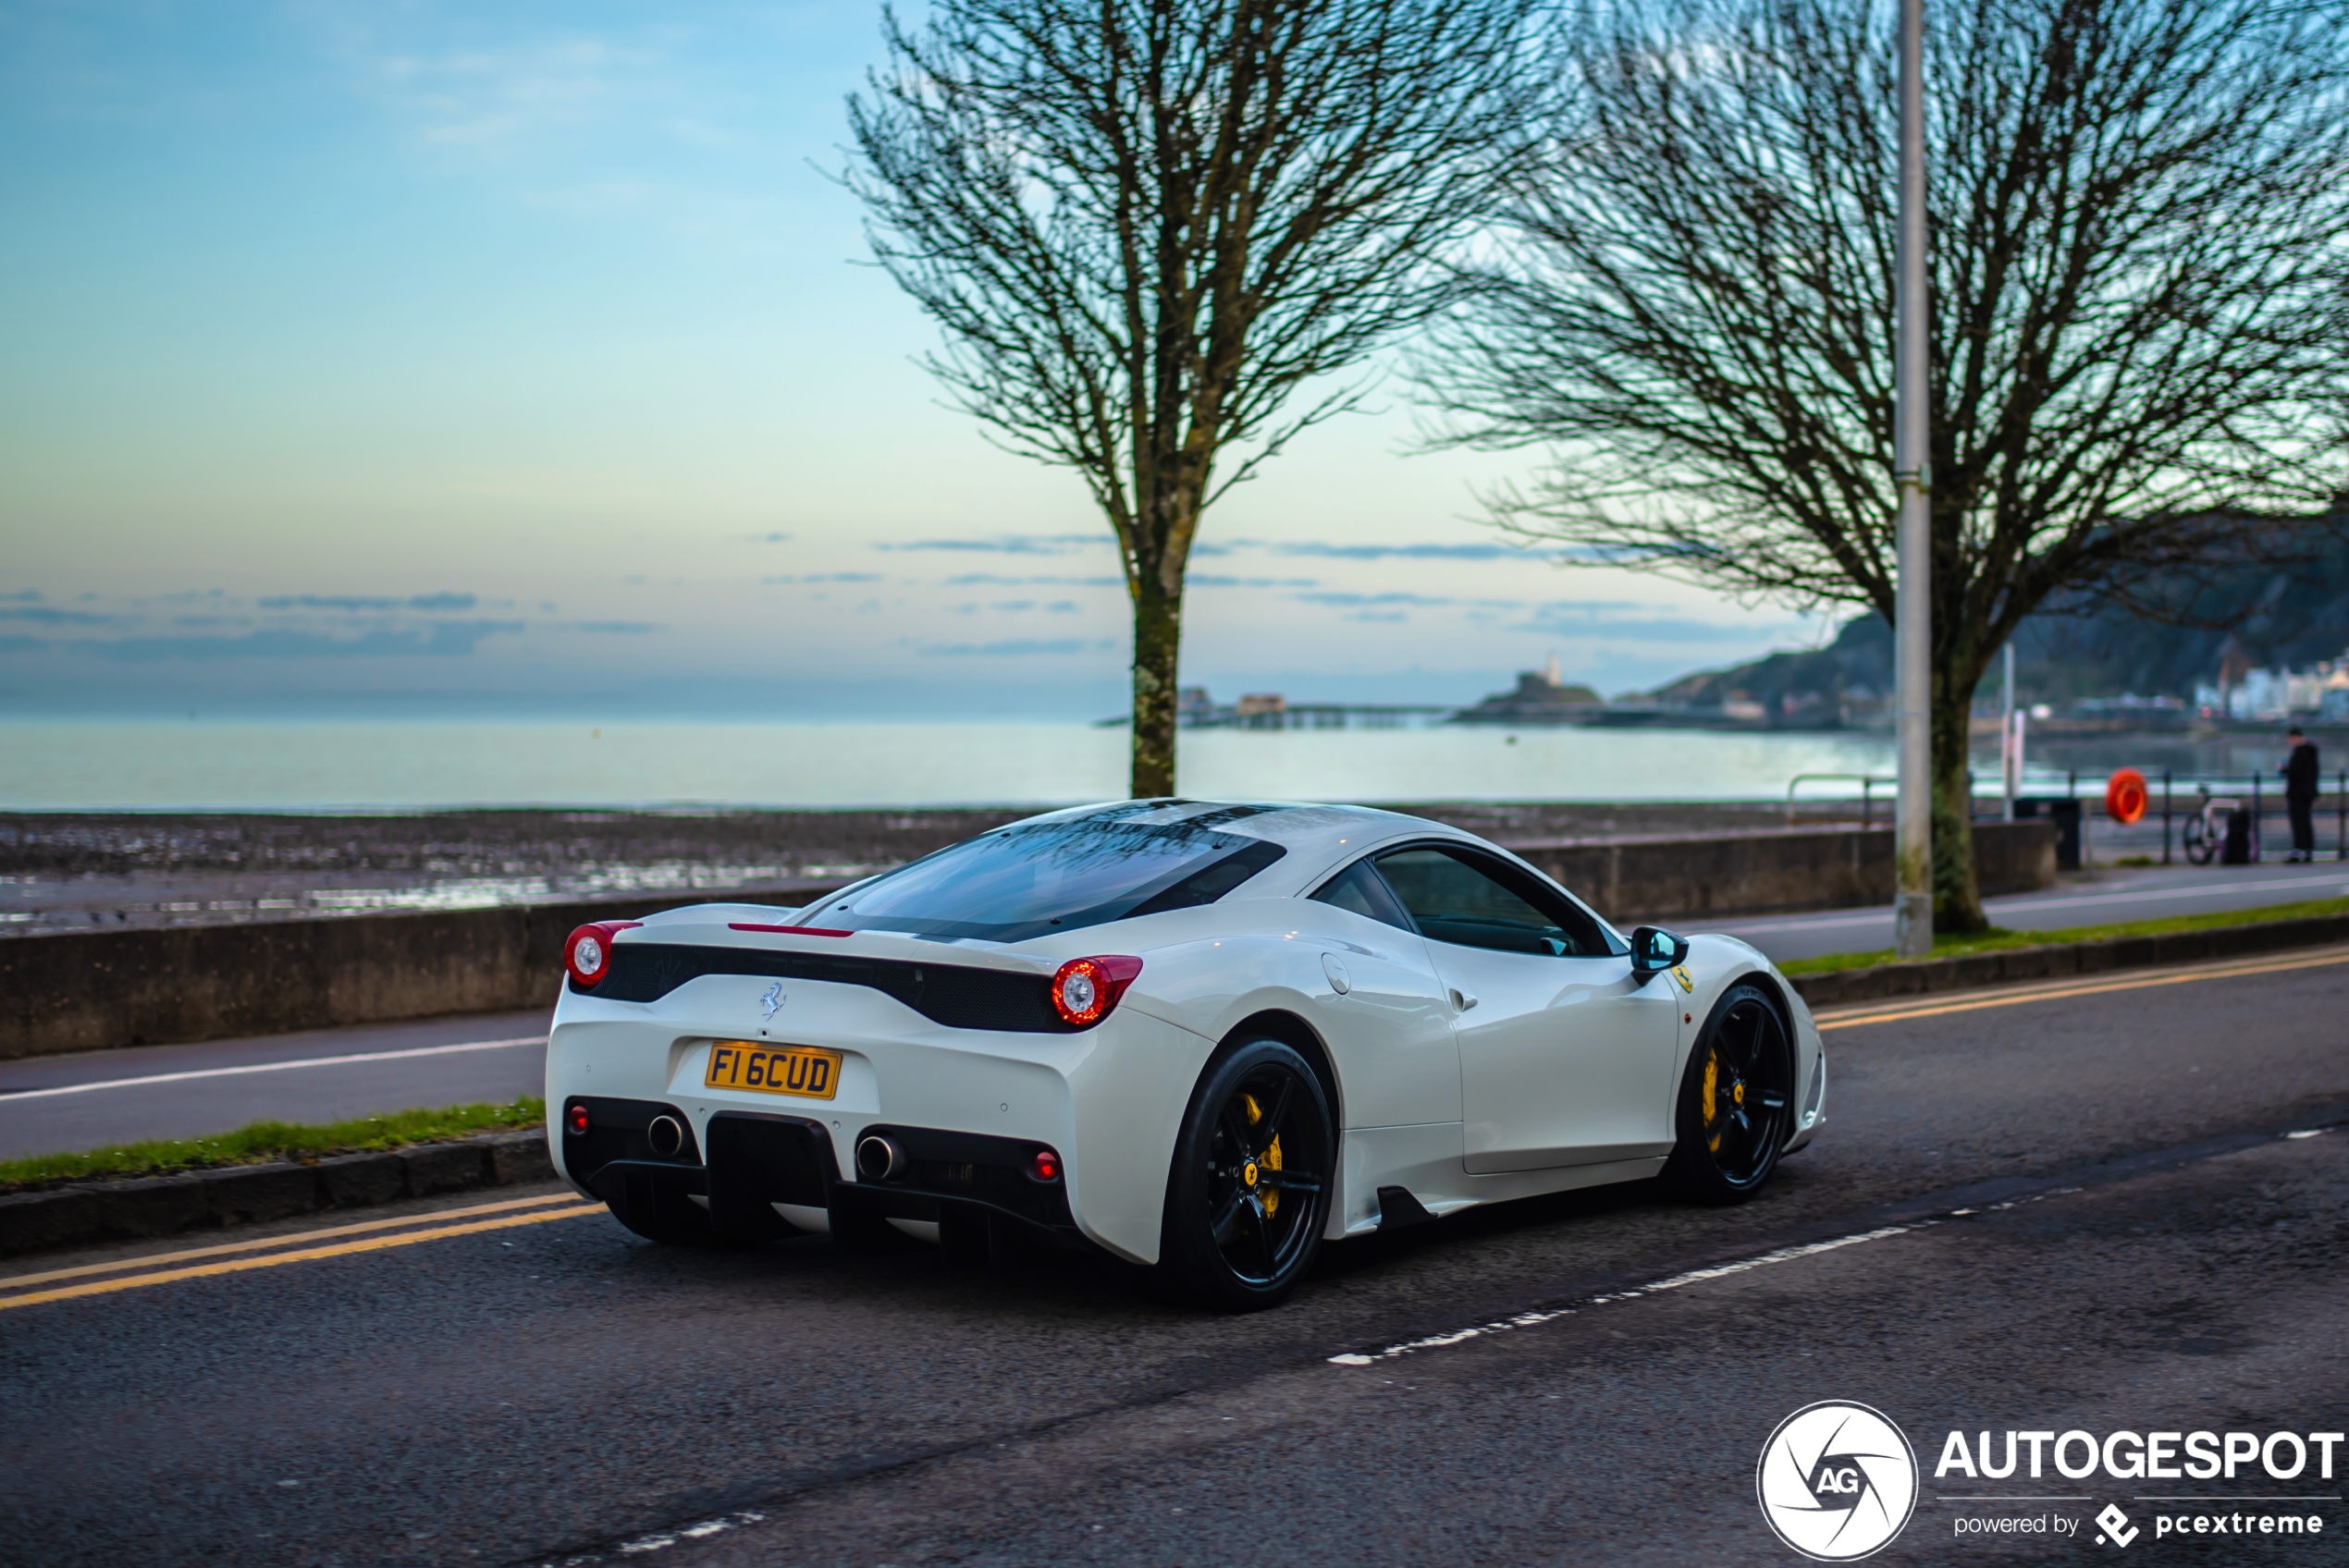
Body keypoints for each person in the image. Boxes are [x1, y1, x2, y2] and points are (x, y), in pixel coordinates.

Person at [2281, 726, 2320, 862]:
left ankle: (2297, 852)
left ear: (2294, 737)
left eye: (2289, 739)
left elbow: (2295, 774)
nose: (2289, 742)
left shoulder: (2299, 753)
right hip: (2308, 793)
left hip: (2297, 793)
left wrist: (2284, 769)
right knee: (2306, 822)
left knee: (2298, 823)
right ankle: (2308, 852)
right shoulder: (2311, 752)